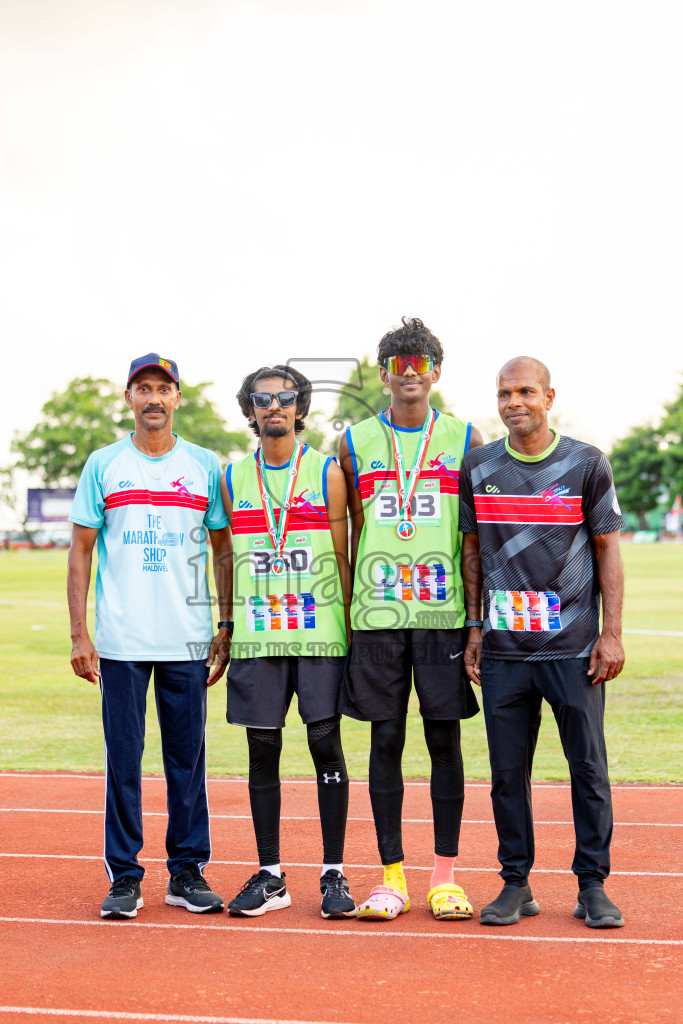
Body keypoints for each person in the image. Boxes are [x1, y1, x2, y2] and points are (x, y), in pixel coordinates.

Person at [459, 356, 626, 928]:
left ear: (549, 397)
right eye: (504, 393)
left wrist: (611, 634)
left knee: (588, 768)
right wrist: (475, 628)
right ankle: (516, 884)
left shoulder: (585, 463)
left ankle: (592, 886)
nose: (513, 403)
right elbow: (473, 552)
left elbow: (607, 548)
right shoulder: (478, 467)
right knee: (507, 773)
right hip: (505, 651)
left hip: (574, 649)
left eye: (525, 392)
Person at [67, 353, 230, 919]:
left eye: (164, 389)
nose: (154, 398)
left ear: (177, 398)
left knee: (188, 762)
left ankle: (186, 872)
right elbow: (81, 551)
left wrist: (224, 626)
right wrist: (78, 633)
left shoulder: (205, 465)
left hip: (187, 639)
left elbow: (223, 549)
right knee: (125, 761)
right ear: (130, 398)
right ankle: (125, 878)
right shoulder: (104, 464)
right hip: (120, 642)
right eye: (144, 389)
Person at [338, 317, 483, 922]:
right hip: (375, 619)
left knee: (443, 740)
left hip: (442, 613)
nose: (409, 374)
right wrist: (345, 616)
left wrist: (475, 622)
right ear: (383, 373)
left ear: (437, 372)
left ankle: (445, 877)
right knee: (386, 739)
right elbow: (344, 533)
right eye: (399, 365)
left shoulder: (467, 436)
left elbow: (472, 537)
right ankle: (392, 876)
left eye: (420, 364)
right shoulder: (352, 441)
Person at [221, 364, 356, 919]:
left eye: (285, 398)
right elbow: (223, 557)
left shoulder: (326, 472)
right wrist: (225, 627)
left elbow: (344, 557)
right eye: (262, 398)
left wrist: (352, 631)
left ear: (300, 406)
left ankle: (333, 872)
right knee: (263, 749)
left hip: (320, 637)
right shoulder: (232, 478)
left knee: (325, 742)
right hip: (257, 637)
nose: (273, 406)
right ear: (250, 409)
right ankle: (271, 874)